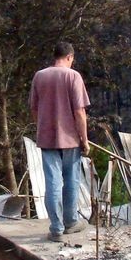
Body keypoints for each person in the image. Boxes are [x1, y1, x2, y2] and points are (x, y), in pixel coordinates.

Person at [29, 41, 91, 242]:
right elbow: (80, 112)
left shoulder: (40, 76)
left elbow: (34, 109)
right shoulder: (73, 76)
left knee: (52, 182)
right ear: (70, 57)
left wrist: (43, 126)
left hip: (47, 139)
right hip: (70, 138)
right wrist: (85, 139)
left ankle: (56, 228)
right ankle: (71, 222)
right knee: (71, 181)